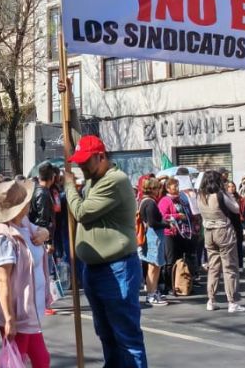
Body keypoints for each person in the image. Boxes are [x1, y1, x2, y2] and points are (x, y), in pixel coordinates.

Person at [64, 134, 147, 368]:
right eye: (78, 161)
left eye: (85, 161)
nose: (80, 166)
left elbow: (81, 212)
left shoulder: (115, 180)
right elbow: (76, 133)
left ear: (101, 157)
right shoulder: (94, 179)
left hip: (117, 267)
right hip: (95, 269)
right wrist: (67, 101)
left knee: (126, 338)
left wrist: (69, 186)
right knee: (107, 335)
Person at [0, 177, 53, 368]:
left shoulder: (23, 221)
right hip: (17, 310)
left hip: (28, 307)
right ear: (21, 207)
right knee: (15, 360)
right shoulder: (3, 236)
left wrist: (44, 233)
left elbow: (42, 231)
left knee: (40, 359)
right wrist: (10, 318)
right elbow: (2, 279)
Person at [198, 170, 244, 313]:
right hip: (223, 230)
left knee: (213, 267)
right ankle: (232, 302)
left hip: (208, 232)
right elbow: (236, 209)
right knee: (230, 267)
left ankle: (211, 300)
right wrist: (228, 194)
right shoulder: (220, 194)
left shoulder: (200, 195)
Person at [137, 177, 168, 306]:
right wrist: (166, 224)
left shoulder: (143, 200)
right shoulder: (150, 203)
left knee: (153, 266)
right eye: (158, 188)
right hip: (153, 236)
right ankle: (151, 294)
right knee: (154, 266)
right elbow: (153, 222)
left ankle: (152, 292)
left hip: (150, 235)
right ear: (153, 189)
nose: (159, 191)